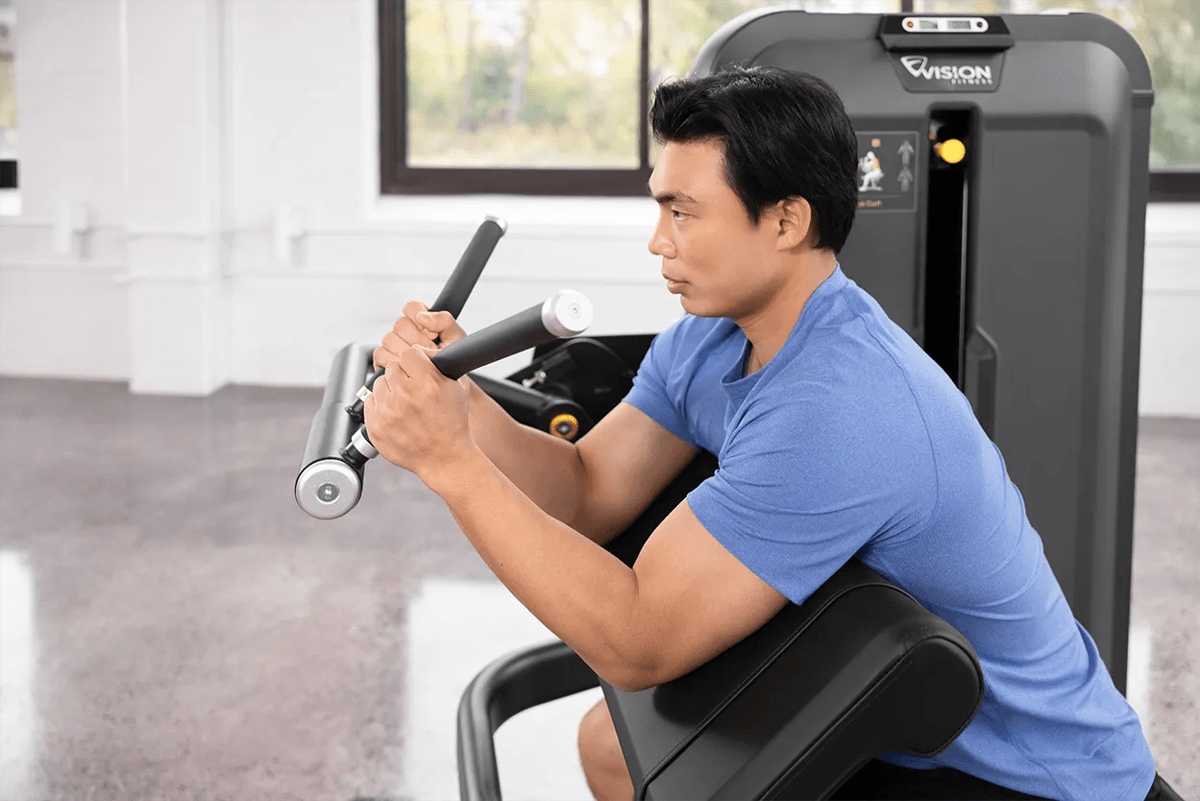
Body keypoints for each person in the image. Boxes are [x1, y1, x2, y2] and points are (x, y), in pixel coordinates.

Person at [363, 66, 1160, 801]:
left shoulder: (842, 406)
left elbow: (637, 641)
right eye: (657, 205)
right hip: (896, 709)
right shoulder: (711, 335)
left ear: (785, 221)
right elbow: (587, 491)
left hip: (1026, 776)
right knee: (614, 744)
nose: (657, 239)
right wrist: (460, 404)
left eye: (684, 211)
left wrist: (450, 463)